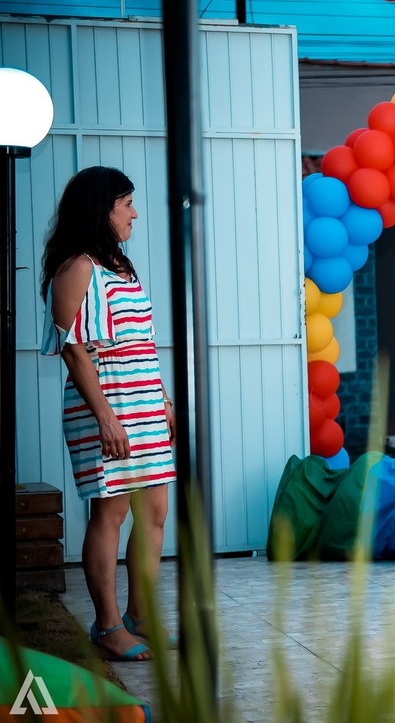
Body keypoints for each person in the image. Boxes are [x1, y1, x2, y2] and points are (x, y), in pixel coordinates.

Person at [39, 166, 177, 661]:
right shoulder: (77, 266)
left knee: (155, 511)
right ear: (102, 209)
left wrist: (162, 399)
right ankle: (109, 625)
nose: (134, 213)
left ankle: (141, 617)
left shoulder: (119, 265)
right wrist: (106, 418)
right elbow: (74, 351)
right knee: (111, 513)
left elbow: (140, 342)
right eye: (126, 204)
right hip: (108, 406)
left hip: (142, 404)